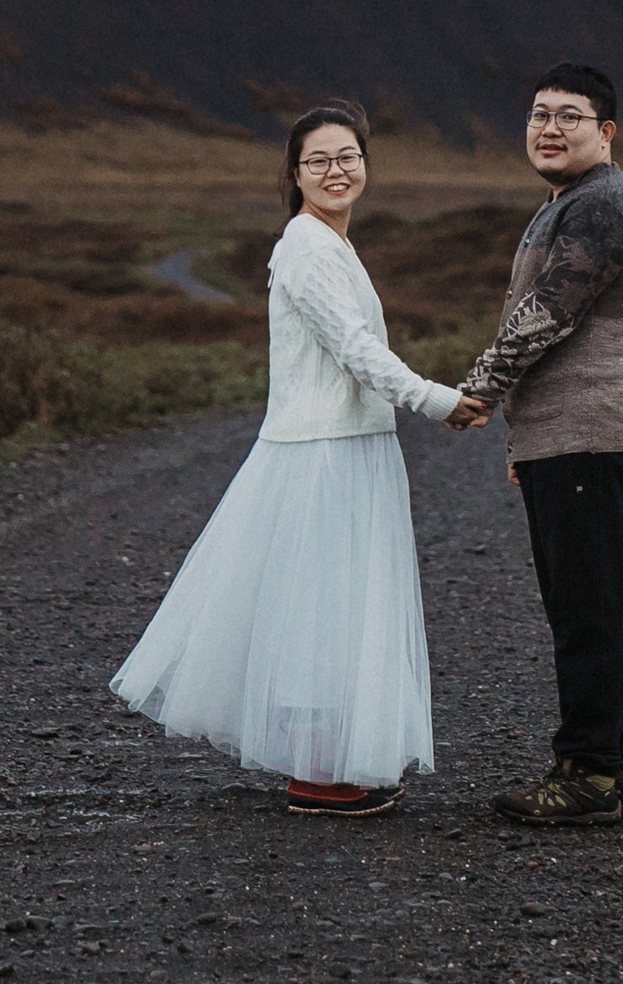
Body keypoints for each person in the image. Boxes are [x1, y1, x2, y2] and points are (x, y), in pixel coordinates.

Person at [112, 102, 489, 816]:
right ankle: (318, 772)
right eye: (318, 160)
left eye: (348, 156)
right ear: (294, 173)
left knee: (326, 606)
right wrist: (437, 399)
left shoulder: (327, 243)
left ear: (366, 165)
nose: (336, 170)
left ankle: (327, 762)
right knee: (324, 608)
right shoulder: (310, 249)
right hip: (323, 453)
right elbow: (356, 349)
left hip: (340, 445)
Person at [446, 61, 623, 826]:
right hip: (572, 439)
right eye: (539, 114)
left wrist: (478, 389)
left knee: (587, 613)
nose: (549, 128)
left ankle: (587, 774)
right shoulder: (569, 200)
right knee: (604, 605)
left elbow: (548, 313)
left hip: (591, 438)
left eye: (570, 116)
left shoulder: (601, 202)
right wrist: (523, 438)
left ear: (605, 132)